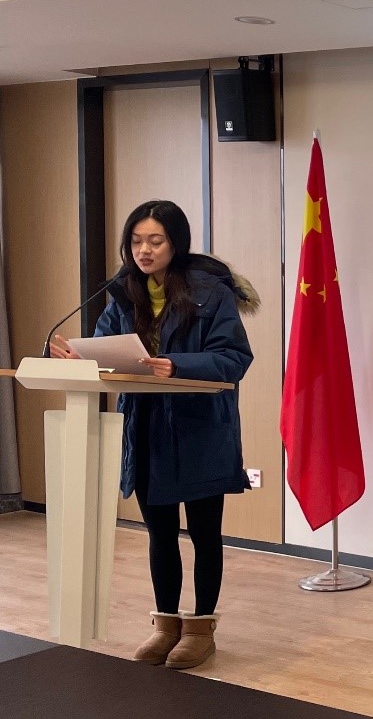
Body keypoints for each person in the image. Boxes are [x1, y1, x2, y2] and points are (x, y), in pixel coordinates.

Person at [50, 200, 256, 670]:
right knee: (159, 534)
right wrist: (83, 359)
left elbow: (234, 357)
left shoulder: (211, 292)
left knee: (204, 533)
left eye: (155, 241)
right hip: (144, 429)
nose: (143, 250)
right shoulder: (123, 293)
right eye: (136, 241)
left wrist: (177, 365)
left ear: (175, 244)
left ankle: (200, 629)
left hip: (200, 429)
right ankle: (166, 625)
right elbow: (107, 346)